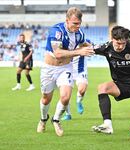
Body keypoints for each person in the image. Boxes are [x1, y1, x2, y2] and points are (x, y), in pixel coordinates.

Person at [36, 7, 94, 136]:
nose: (77, 26)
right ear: (67, 21)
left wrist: (95, 48)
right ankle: (43, 119)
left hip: (66, 68)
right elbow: (57, 53)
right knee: (46, 99)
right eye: (74, 23)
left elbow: (85, 45)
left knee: (65, 97)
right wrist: (79, 51)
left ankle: (55, 120)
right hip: (49, 69)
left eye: (79, 23)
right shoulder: (56, 31)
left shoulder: (80, 34)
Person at [62, 39, 92, 121]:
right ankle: (68, 114)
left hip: (80, 69)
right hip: (68, 69)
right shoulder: (66, 41)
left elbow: (90, 48)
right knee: (65, 94)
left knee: (82, 89)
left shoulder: (84, 40)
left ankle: (79, 102)